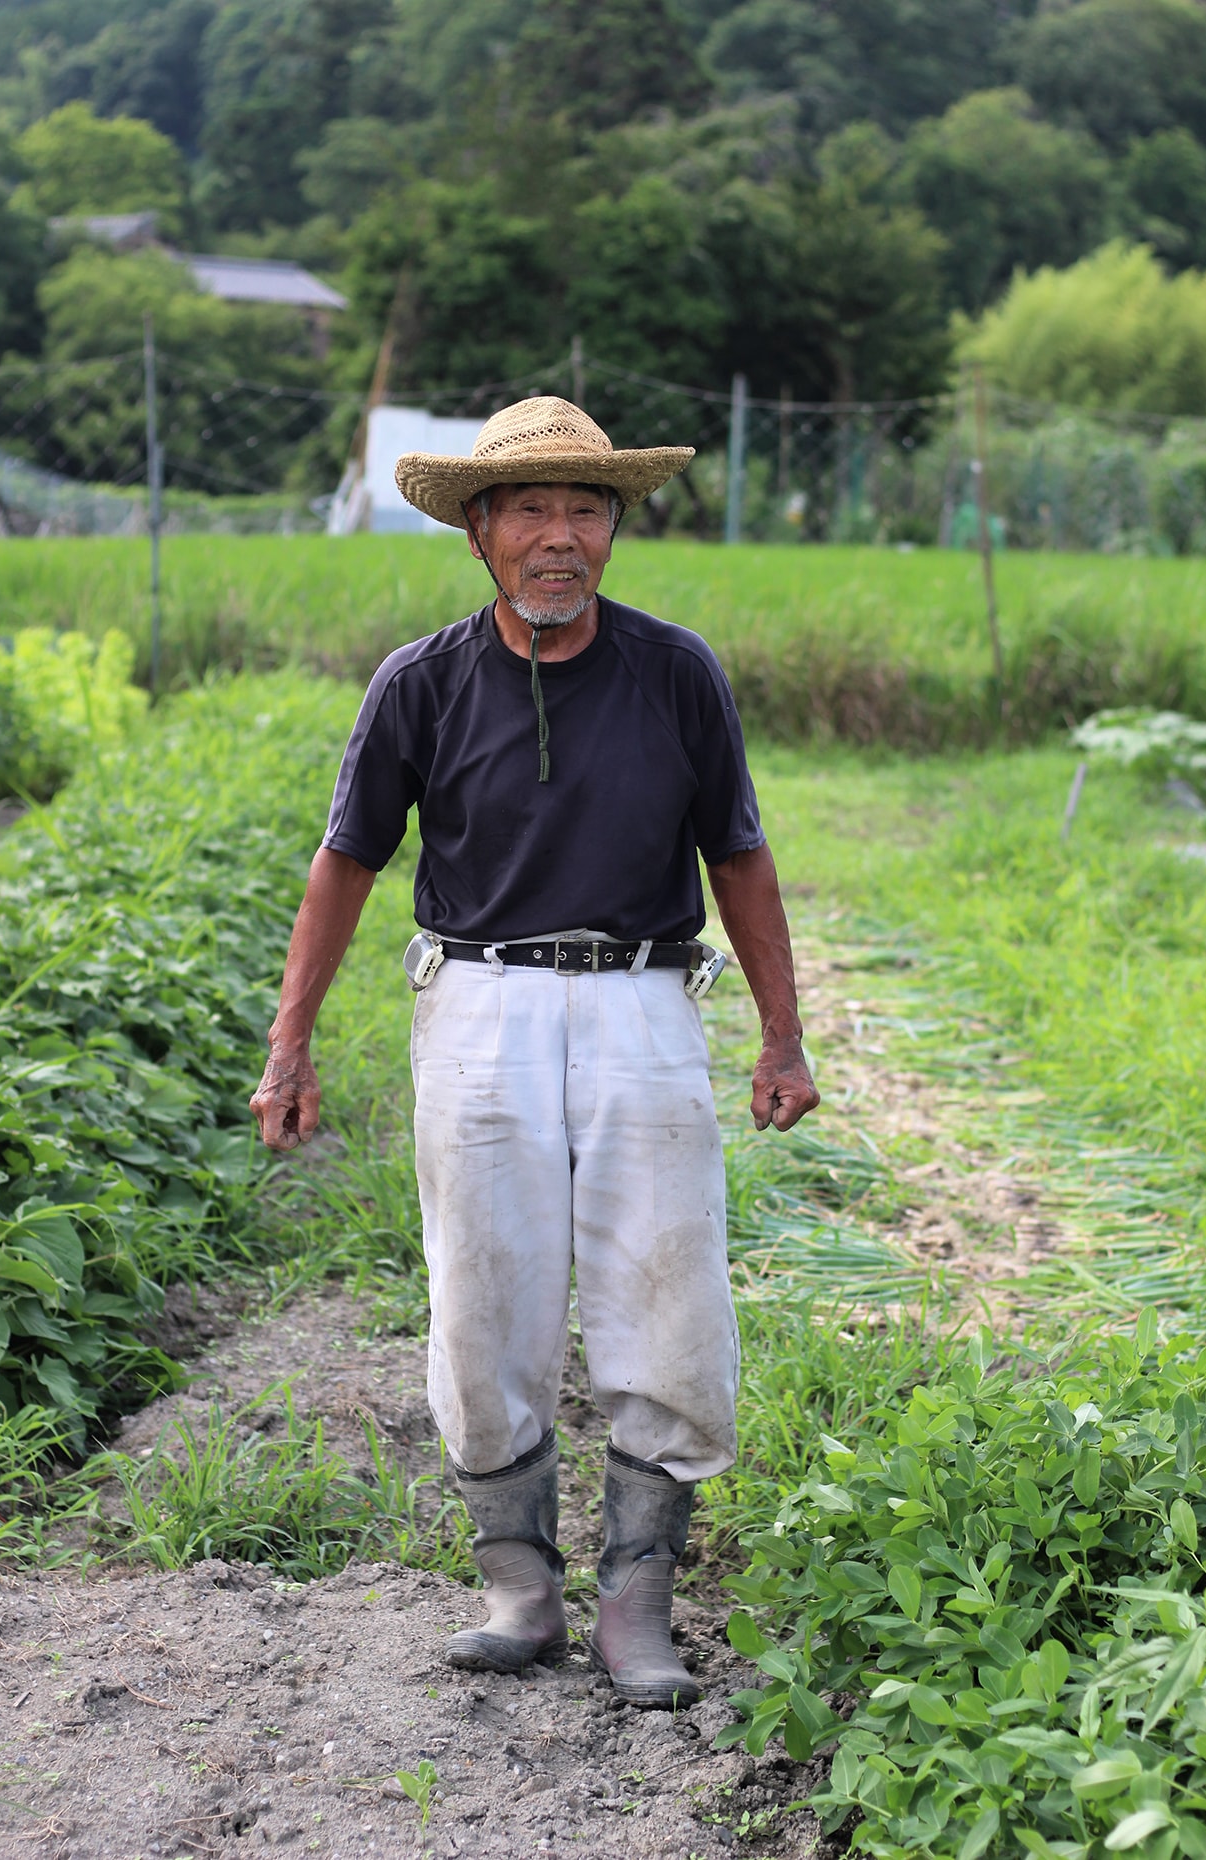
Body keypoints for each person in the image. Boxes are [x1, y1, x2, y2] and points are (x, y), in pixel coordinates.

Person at [250, 396, 818, 1707]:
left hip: (641, 1005)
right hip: (481, 1012)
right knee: (484, 1295)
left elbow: (738, 852)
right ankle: (518, 1583)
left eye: (586, 510)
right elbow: (347, 863)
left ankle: (636, 1603)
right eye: (532, 512)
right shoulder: (423, 683)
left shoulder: (677, 673)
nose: (560, 538)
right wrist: (291, 1046)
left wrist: (783, 1034)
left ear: (614, 528)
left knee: (669, 1294)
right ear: (481, 534)